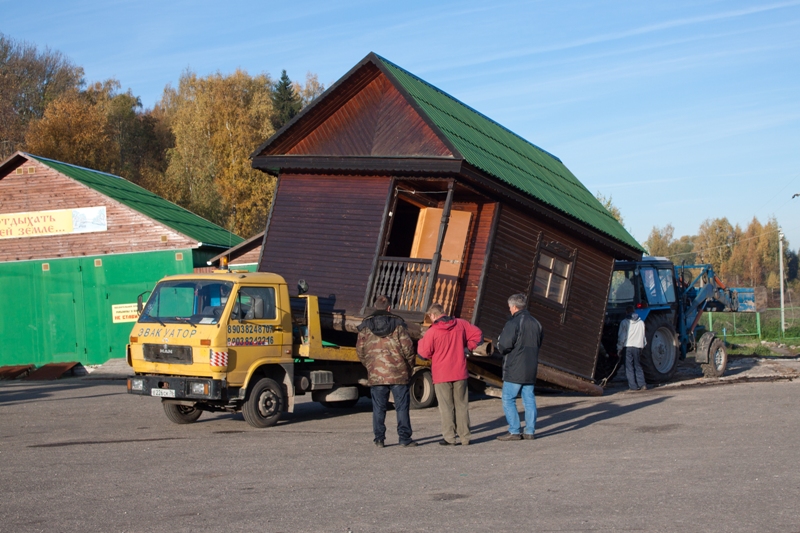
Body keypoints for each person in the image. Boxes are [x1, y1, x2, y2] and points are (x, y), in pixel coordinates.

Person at [417, 303, 483, 446]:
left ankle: (449, 437)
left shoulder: (432, 331)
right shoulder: (461, 324)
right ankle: (465, 437)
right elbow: (478, 335)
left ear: (433, 315)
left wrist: (422, 341)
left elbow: (423, 354)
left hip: (441, 373)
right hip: (459, 370)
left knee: (446, 406)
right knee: (462, 405)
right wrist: (468, 347)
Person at [356, 295, 418, 447]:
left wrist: (370, 366)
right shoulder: (398, 324)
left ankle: (379, 439)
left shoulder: (365, 326)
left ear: (375, 306)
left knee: (378, 408)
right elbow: (408, 349)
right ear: (389, 307)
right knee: (401, 407)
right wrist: (409, 367)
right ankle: (404, 439)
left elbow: (360, 351)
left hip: (376, 374)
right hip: (398, 372)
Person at [495, 293, 544, 441]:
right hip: (531, 366)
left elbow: (504, 345)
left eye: (510, 307)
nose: (509, 310)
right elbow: (539, 343)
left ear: (514, 307)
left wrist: (498, 345)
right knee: (529, 399)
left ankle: (514, 430)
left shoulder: (513, 323)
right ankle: (529, 431)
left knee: (508, 398)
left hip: (515, 367)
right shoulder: (537, 323)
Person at [617, 305, 647, 392]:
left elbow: (622, 337)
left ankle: (633, 386)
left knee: (629, 367)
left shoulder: (624, 322)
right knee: (638, 365)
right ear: (634, 312)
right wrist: (643, 346)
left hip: (628, 347)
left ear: (626, 312)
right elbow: (644, 337)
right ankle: (642, 384)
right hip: (638, 347)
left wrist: (619, 349)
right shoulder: (641, 322)